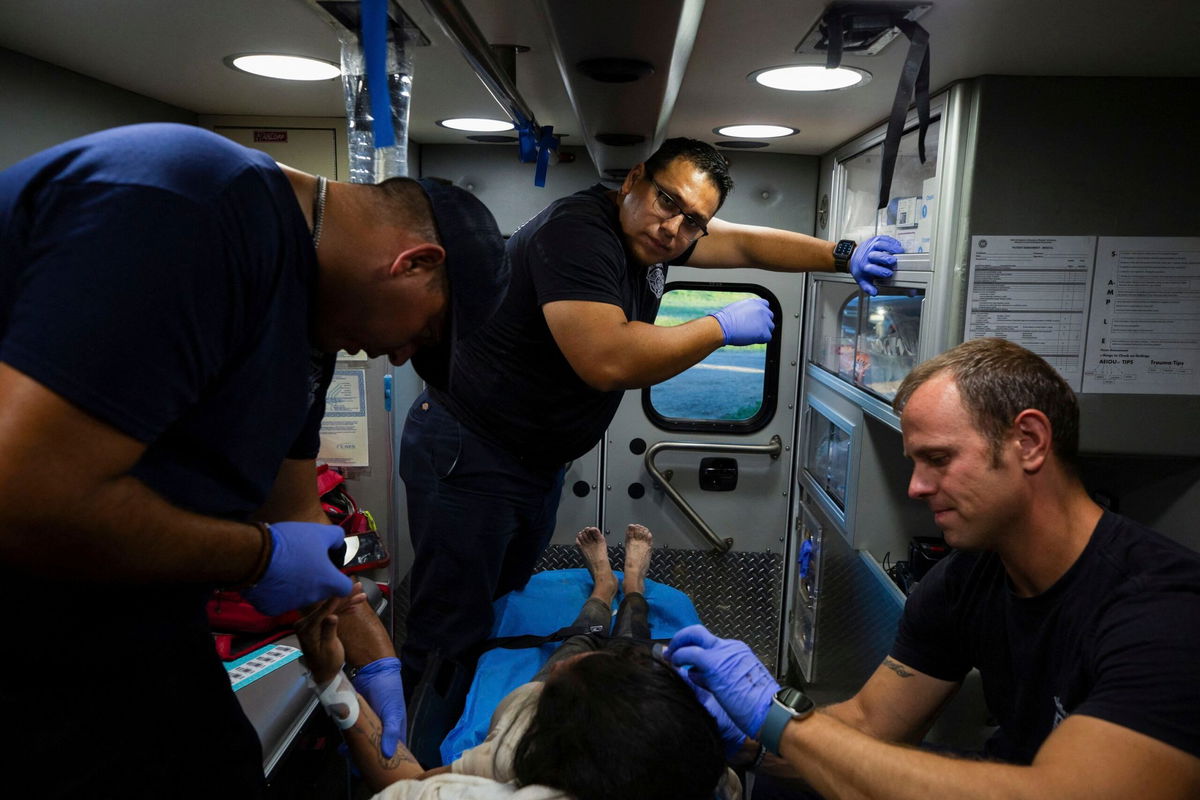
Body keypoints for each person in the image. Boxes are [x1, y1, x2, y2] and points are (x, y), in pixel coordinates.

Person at [0, 122, 505, 798]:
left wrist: (371, 653)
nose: (403, 355)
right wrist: (260, 558)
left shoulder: (311, 321)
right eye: (424, 333)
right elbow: (29, 497)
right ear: (413, 262)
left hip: (130, 602)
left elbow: (291, 507)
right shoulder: (190, 205)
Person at [399, 136, 906, 692]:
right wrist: (718, 328)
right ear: (634, 178)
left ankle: (475, 733)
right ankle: (417, 765)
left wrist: (842, 254)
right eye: (669, 201)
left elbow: (746, 245)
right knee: (449, 629)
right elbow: (607, 359)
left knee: (499, 613)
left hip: (530, 466)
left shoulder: (653, 237)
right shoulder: (580, 234)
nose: (674, 229)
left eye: (693, 222)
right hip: (471, 454)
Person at [667, 338, 1200, 799]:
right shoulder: (968, 579)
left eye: (939, 459)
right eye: (914, 464)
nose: (916, 488)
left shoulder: (1164, 611)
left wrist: (780, 718)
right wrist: (748, 739)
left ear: (1029, 442)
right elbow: (871, 725)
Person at [297, 523, 734, 799]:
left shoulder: (516, 750)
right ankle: (626, 584)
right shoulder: (706, 775)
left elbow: (405, 780)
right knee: (632, 644)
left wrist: (330, 676)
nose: (560, 668)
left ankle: (603, 589)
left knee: (581, 639)